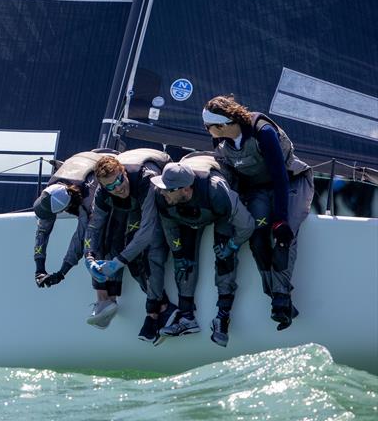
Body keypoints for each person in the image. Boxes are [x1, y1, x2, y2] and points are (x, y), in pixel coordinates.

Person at [203, 95, 314, 330]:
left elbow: (280, 176)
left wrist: (281, 218)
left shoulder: (263, 132)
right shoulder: (221, 141)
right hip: (258, 189)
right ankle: (277, 298)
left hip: (290, 183)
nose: (207, 130)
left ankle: (282, 298)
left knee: (284, 235)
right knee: (258, 238)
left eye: (208, 126)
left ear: (223, 125)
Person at [153, 154, 255, 347]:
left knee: (224, 255)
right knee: (184, 262)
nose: (162, 192)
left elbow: (247, 225)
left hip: (219, 212)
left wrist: (233, 245)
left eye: (167, 190)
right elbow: (169, 227)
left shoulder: (217, 191)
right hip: (187, 216)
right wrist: (177, 253)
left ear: (185, 189)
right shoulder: (163, 197)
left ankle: (222, 318)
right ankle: (186, 318)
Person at [83, 149, 179, 343]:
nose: (117, 188)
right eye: (110, 187)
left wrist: (118, 262)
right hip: (130, 206)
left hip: (157, 201)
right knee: (110, 239)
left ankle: (161, 309)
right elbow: (94, 227)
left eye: (119, 181)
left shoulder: (145, 180)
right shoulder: (104, 193)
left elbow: (147, 231)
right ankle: (110, 300)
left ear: (124, 172)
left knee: (149, 251)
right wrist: (89, 257)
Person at [32, 150, 110, 290]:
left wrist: (62, 272)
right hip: (87, 157)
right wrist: (39, 269)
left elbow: (80, 239)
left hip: (109, 164)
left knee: (96, 243)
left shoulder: (87, 201)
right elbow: (42, 231)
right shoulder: (52, 190)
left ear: (65, 208)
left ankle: (106, 294)